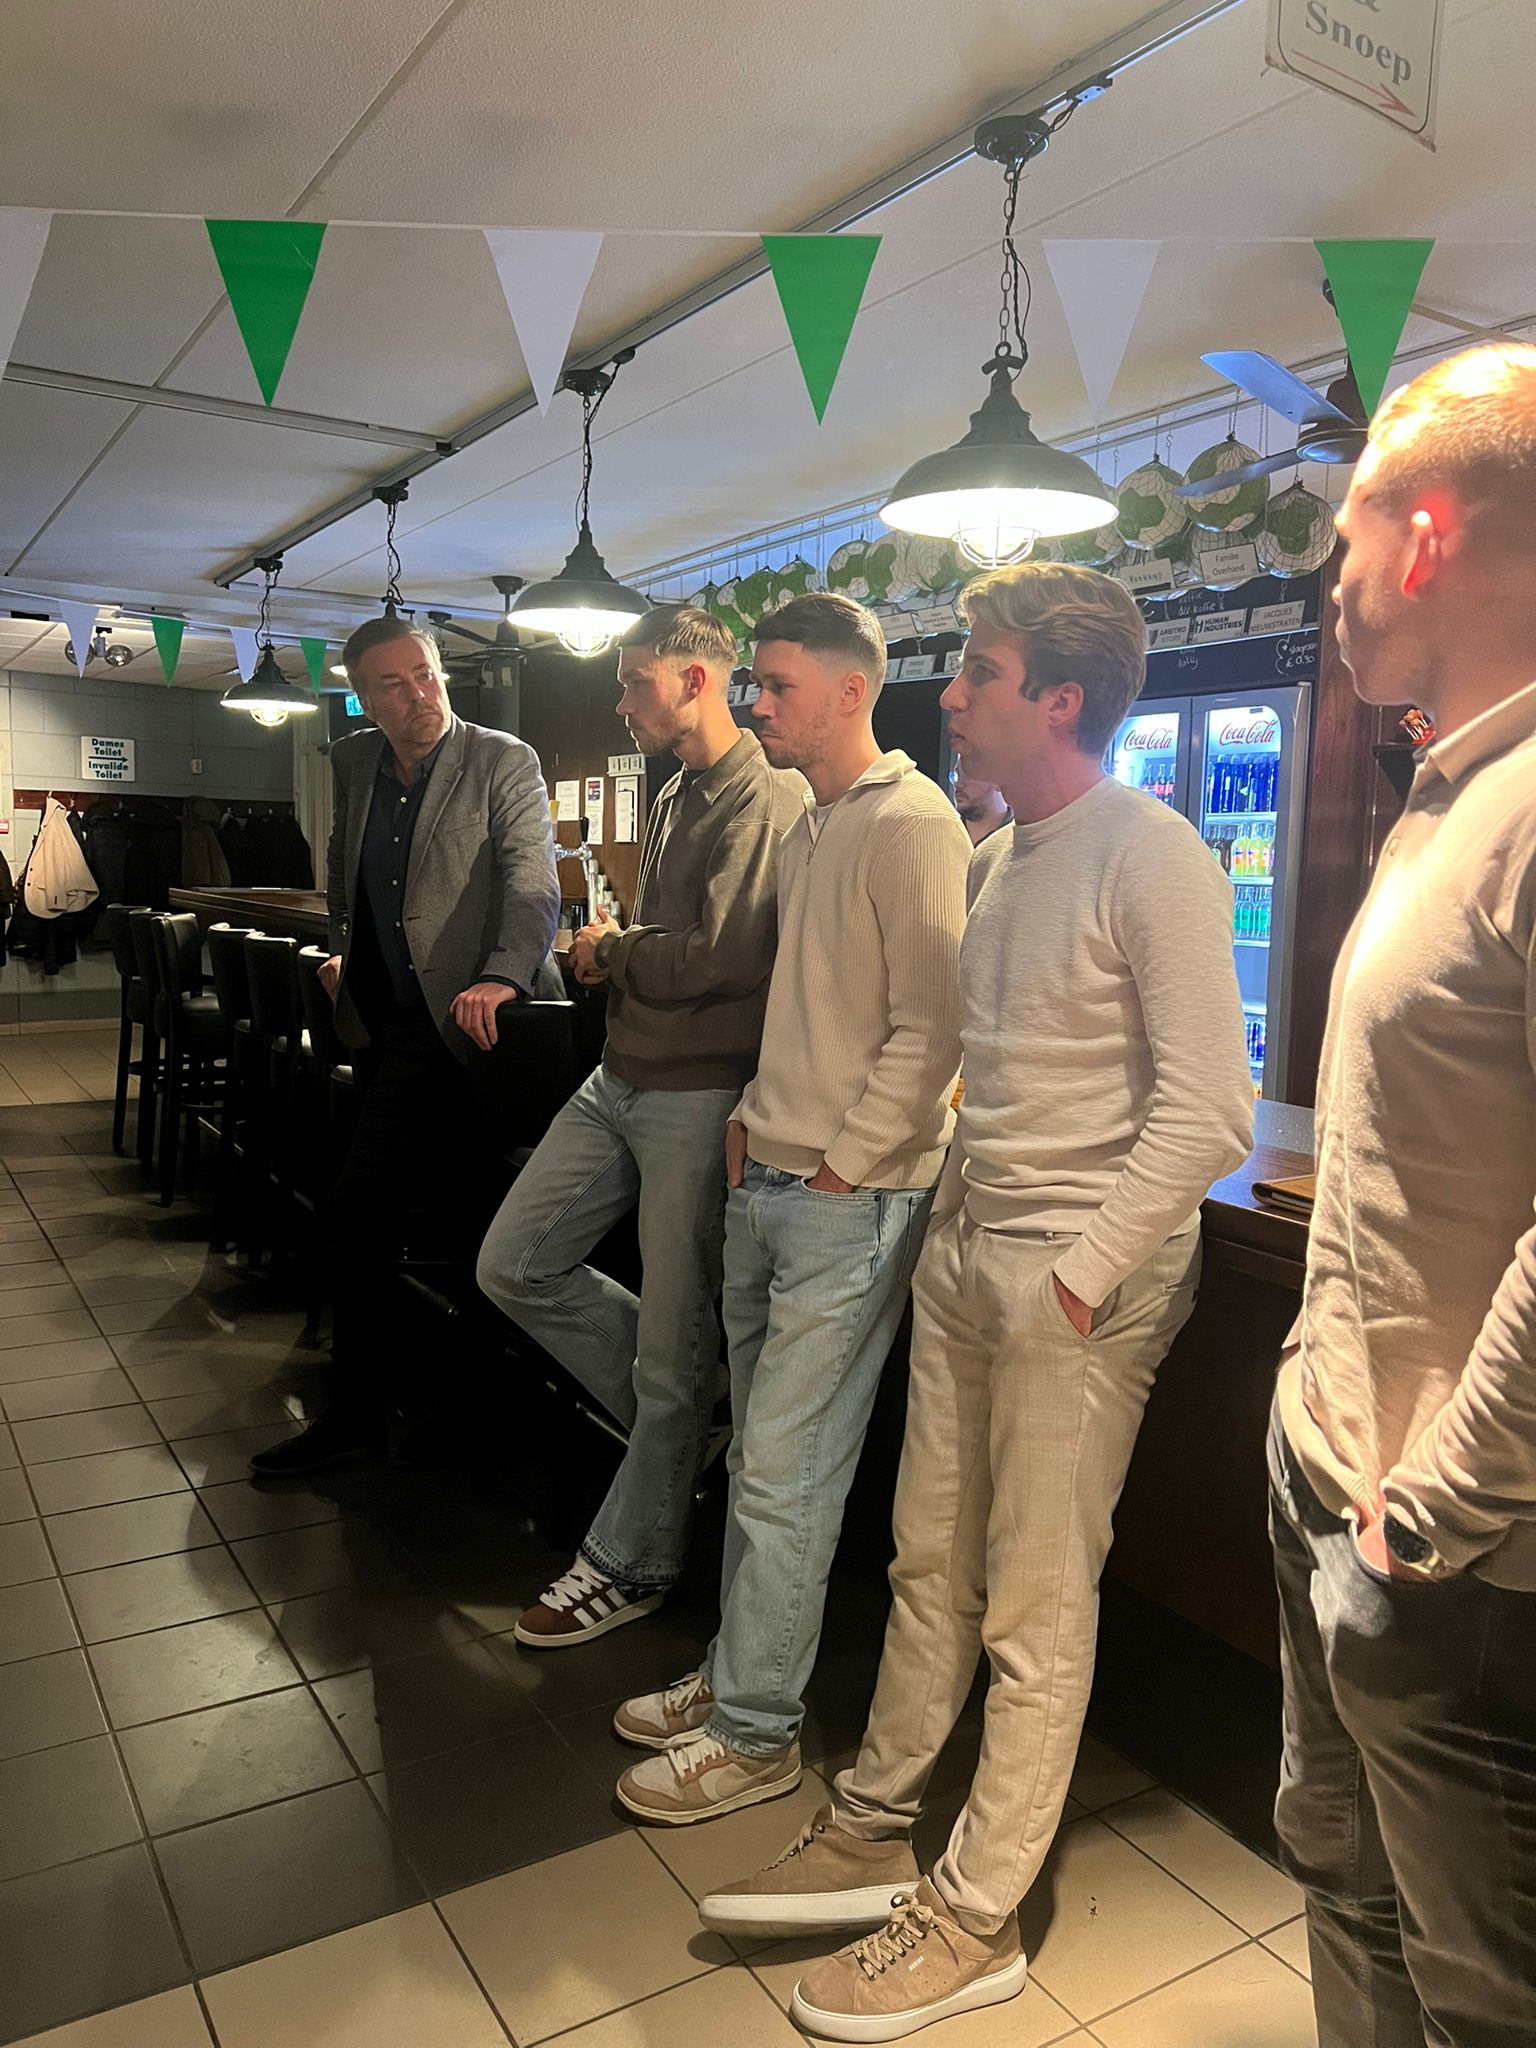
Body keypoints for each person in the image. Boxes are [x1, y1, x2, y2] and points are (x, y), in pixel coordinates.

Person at [702, 561, 1254, 2043]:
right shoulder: (1003, 852)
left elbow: (1211, 1110)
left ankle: (979, 1908)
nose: (948, 694)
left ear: (1061, 699)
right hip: (973, 1247)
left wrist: (1075, 1274)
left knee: (1036, 1600)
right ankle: (877, 1820)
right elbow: (985, 1072)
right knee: (925, 1557)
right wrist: (958, 1225)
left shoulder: (1153, 855)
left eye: (980, 671)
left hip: (1076, 1277)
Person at [1265, 344, 1536, 2048]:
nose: (1328, 577)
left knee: (1482, 1995)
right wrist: (1308, 1402)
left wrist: (1426, 1512)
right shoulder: (1445, 789)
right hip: (1333, 1471)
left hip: (1461, 1560)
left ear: (1426, 536)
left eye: (1343, 534)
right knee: (1342, 1883)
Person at [611, 592, 971, 1824]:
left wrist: (843, 1162)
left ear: (852, 689)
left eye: (776, 684)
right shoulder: (815, 817)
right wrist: (756, 1116)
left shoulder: (912, 823)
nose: (755, 701)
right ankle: (735, 1679)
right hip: (772, 1167)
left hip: (844, 1195)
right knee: (762, 1457)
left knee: (784, 1467)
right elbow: (806, 1002)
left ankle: (756, 1730)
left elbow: (934, 1028)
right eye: (755, 682)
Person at [476, 605, 804, 1644]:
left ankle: (634, 1561)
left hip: (697, 1093)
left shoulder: (766, 792)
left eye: (635, 682)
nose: (621, 702)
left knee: (670, 1354)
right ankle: (694, 1403)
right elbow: (684, 943)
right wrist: (627, 948)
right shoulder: (673, 788)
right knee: (513, 1263)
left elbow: (727, 958)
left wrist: (616, 952)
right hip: (622, 1074)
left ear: (696, 680)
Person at [252, 615, 559, 1476]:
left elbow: (533, 884)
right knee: (394, 1217)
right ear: (362, 696)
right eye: (394, 684)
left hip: (475, 1030)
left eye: (425, 673)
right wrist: (346, 948)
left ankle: (437, 1413)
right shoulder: (354, 760)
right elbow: (344, 870)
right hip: (387, 1025)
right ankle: (396, 1411)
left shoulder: (501, 759)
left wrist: (503, 974)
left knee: (409, 1218)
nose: (419, 694)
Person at [951, 772, 1010, 846]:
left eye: (970, 777)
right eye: (957, 775)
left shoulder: (1019, 840)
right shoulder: (943, 834)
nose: (958, 784)